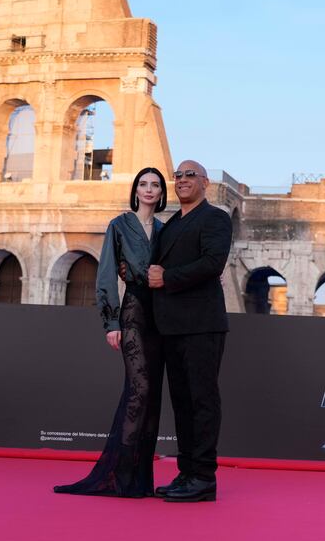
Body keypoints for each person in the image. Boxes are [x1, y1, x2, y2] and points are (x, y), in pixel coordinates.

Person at [53, 167, 168, 497]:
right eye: (143, 184)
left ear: (161, 194)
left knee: (153, 396)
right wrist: (112, 322)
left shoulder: (165, 230)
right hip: (133, 311)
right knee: (139, 389)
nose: (149, 190)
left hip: (162, 317)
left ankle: (141, 480)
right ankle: (121, 476)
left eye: (155, 185)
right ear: (136, 190)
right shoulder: (119, 226)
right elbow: (106, 276)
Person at [149, 160, 232, 502]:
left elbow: (213, 263)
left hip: (201, 325)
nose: (182, 180)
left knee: (202, 400)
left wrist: (167, 278)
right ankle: (187, 473)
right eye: (178, 176)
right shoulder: (169, 226)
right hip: (170, 327)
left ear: (205, 183)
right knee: (181, 402)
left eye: (190, 175)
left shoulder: (215, 218)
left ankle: (203, 477)